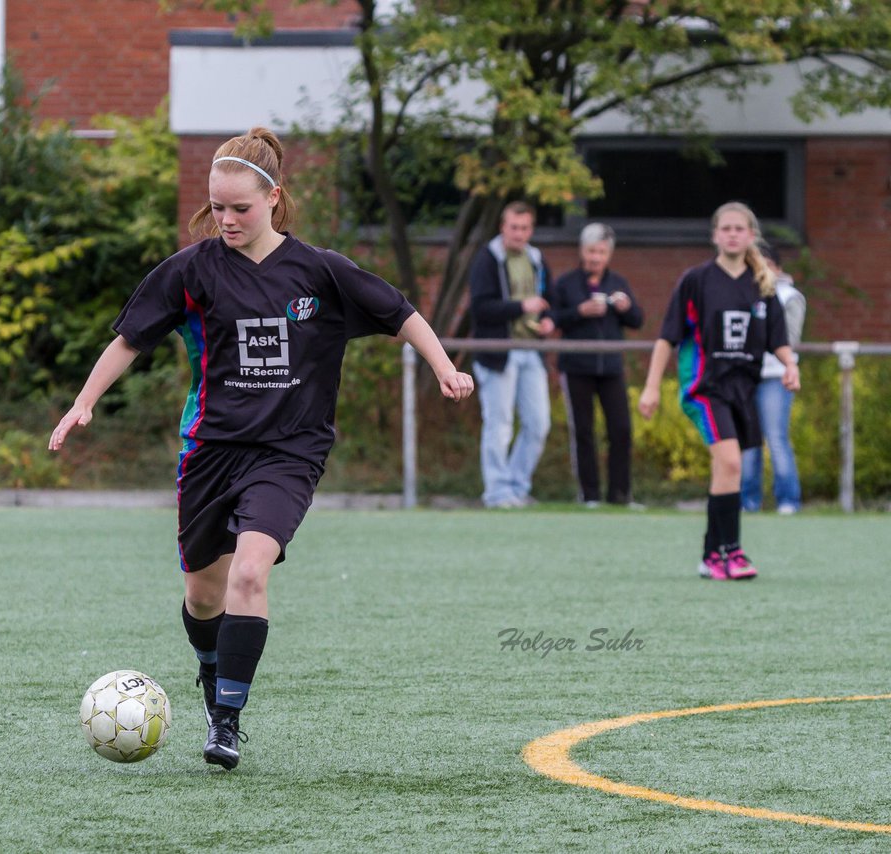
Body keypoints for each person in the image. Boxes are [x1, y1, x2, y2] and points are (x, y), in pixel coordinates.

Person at [49, 127, 473, 770]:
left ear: (274, 198)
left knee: (251, 571)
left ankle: (226, 718)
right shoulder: (192, 270)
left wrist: (444, 367)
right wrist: (84, 402)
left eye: (240, 208)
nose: (226, 219)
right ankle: (212, 670)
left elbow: (400, 312)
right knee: (202, 595)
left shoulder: (320, 271)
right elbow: (130, 340)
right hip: (211, 451)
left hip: (288, 453)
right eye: (216, 207)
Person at [638, 202, 800, 580]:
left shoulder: (763, 286)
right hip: (705, 387)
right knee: (730, 463)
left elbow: (779, 339)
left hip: (745, 389)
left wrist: (790, 366)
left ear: (750, 235)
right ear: (715, 235)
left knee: (727, 469)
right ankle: (732, 551)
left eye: (739, 229)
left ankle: (713, 554)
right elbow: (667, 337)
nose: (732, 234)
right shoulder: (696, 280)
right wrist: (651, 388)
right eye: (725, 228)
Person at [548, 223, 644, 507]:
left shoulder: (618, 283)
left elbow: (637, 321)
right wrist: (580, 311)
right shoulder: (566, 283)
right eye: (591, 251)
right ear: (582, 251)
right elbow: (553, 318)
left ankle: (620, 496)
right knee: (584, 432)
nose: (595, 258)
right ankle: (589, 495)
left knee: (621, 430)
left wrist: (626, 308)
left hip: (611, 368)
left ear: (609, 255)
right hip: (577, 366)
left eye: (601, 252)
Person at [469, 201, 554, 508]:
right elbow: (479, 308)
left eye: (525, 228)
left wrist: (549, 320)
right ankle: (497, 492)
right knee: (499, 423)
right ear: (503, 227)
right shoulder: (487, 259)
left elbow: (549, 299)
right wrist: (521, 307)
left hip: (531, 351)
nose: (519, 233)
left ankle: (517, 487)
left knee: (538, 423)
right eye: (513, 227)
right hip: (498, 354)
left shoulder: (536, 258)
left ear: (531, 230)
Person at [741, 244, 806, 515]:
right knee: (747, 441)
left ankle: (788, 500)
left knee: (776, 438)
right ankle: (747, 501)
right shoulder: (742, 291)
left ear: (776, 267)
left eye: (765, 263)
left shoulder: (789, 296)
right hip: (745, 374)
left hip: (775, 376)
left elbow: (788, 339)